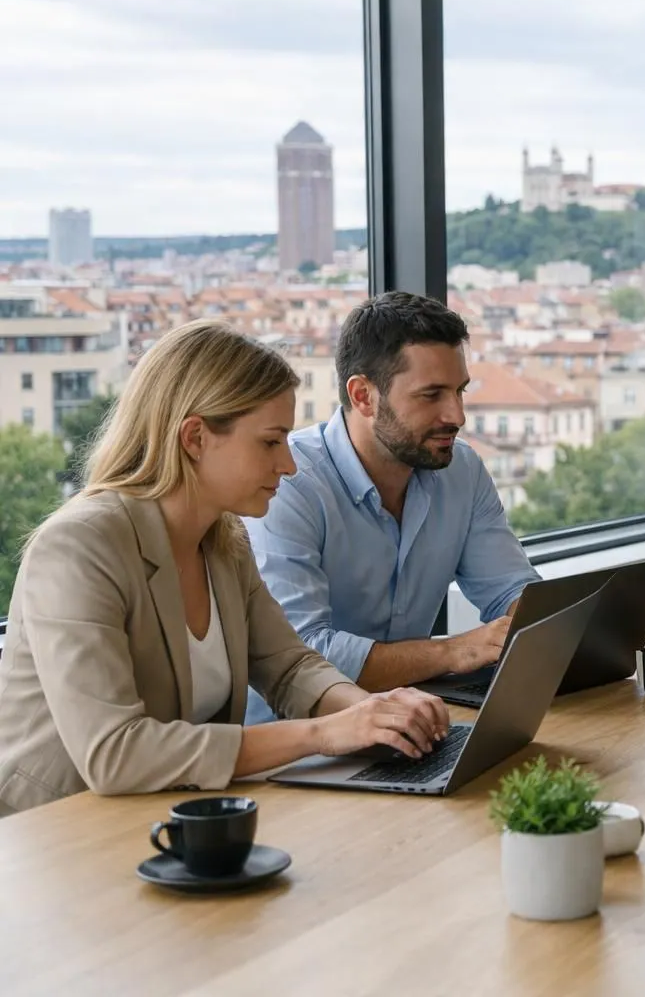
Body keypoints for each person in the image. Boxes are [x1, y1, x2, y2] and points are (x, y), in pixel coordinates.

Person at [0, 321, 449, 817]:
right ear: (195, 437)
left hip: (170, 818)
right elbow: (114, 754)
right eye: (270, 442)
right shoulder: (78, 548)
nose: (289, 466)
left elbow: (290, 667)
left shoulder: (223, 541)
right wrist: (322, 734)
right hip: (57, 835)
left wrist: (371, 714)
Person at [243, 291, 539, 724]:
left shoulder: (463, 470)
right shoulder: (288, 482)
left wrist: (543, 629)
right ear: (364, 396)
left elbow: (512, 592)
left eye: (459, 391)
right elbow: (304, 654)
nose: (456, 415)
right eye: (431, 395)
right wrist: (453, 651)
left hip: (407, 725)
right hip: (295, 742)